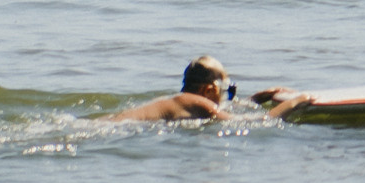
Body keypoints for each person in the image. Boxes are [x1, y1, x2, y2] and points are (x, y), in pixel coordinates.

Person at [111, 55, 311, 122]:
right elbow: (256, 122)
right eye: (227, 91)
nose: (228, 98)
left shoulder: (180, 100)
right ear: (208, 90)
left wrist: (259, 98)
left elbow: (224, 109)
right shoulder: (199, 104)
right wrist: (297, 101)